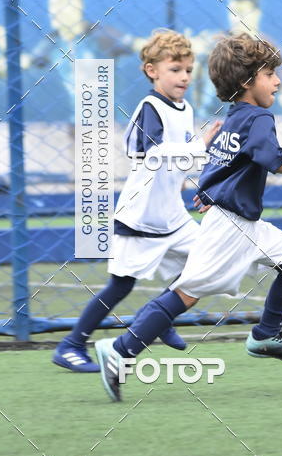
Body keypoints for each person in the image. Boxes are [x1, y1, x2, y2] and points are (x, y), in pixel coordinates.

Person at [94, 33, 282, 401]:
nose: (278, 82)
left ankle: (266, 335)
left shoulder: (235, 117)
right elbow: (272, 159)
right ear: (247, 81)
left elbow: (221, 163)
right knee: (186, 293)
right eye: (270, 74)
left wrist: (208, 192)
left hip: (245, 222)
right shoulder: (258, 118)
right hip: (231, 228)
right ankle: (120, 350)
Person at [53, 29, 220, 372]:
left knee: (204, 262)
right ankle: (71, 345)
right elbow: (152, 153)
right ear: (151, 71)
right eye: (175, 69)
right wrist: (198, 147)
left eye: (189, 70)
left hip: (172, 216)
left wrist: (202, 179)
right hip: (140, 218)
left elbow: (182, 162)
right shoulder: (150, 108)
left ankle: (157, 318)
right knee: (120, 285)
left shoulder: (186, 108)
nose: (184, 77)